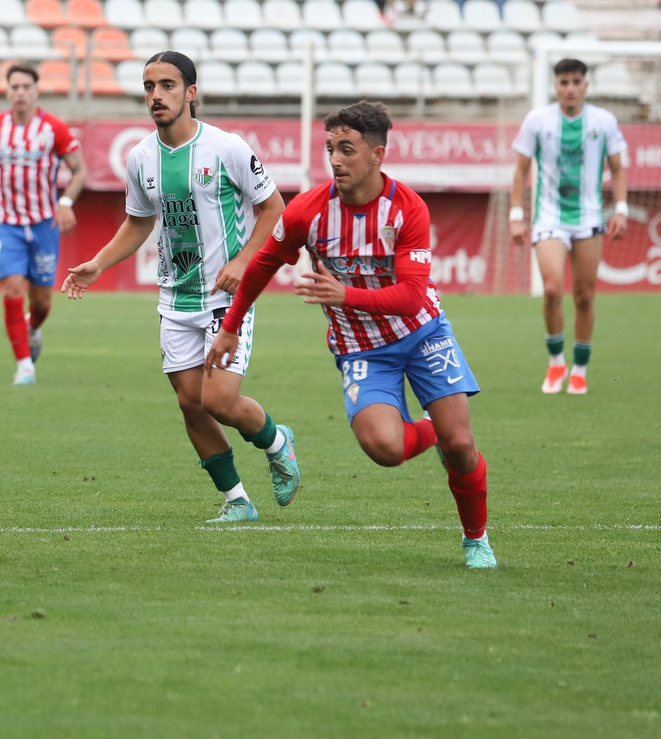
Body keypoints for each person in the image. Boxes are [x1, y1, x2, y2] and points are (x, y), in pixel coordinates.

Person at [207, 102, 496, 569]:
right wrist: (230, 328)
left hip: (422, 333)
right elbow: (262, 264)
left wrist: (346, 296)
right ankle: (433, 434)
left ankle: (476, 539)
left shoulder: (408, 209)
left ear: (377, 155)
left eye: (347, 149)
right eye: (330, 149)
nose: (336, 160)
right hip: (362, 348)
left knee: (463, 446)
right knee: (384, 449)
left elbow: (410, 297)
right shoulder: (309, 210)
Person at [61, 52, 299, 523]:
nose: (156, 96)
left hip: (227, 297)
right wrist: (97, 264)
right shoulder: (140, 157)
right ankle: (237, 501)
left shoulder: (227, 147)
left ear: (191, 93)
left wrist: (243, 259)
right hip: (175, 299)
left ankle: (277, 441)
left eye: (167, 85)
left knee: (219, 400)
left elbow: (275, 208)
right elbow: (138, 222)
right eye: (149, 86)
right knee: (191, 405)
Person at [508, 58, 629, 395]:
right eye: (564, 82)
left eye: (576, 82)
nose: (570, 88)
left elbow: (617, 168)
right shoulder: (538, 119)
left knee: (585, 295)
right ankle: (556, 360)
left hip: (589, 218)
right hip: (549, 217)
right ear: (556, 86)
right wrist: (516, 215)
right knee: (551, 288)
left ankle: (580, 366)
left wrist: (620, 209)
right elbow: (520, 171)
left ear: (585, 85)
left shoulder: (603, 121)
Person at [0, 62, 85, 386]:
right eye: (14, 87)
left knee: (42, 301)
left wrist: (65, 202)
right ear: (7, 91)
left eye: (26, 87)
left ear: (36, 91)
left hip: (44, 223)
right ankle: (24, 366)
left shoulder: (54, 129)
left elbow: (80, 171)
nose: (20, 92)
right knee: (12, 289)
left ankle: (33, 327)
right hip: (6, 222)